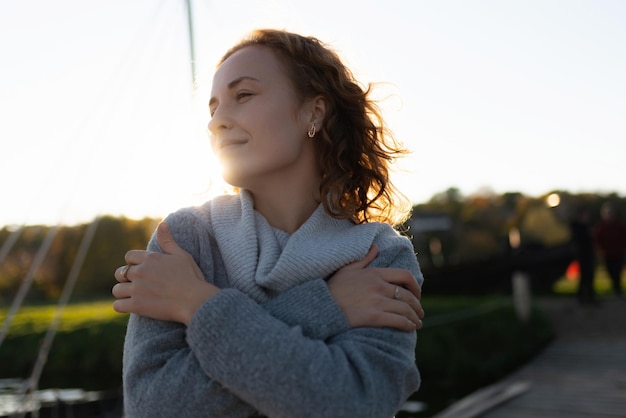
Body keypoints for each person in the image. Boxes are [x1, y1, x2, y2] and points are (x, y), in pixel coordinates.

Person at [112, 29, 425, 418]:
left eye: (243, 96)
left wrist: (196, 303)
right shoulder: (184, 240)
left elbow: (354, 404)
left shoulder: (380, 255)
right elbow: (154, 407)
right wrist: (323, 308)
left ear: (314, 111)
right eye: (212, 109)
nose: (217, 123)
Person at [594, 203, 626, 297]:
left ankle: (618, 289)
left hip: (619, 253)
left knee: (618, 271)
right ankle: (616, 288)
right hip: (607, 254)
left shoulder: (620, 226)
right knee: (611, 271)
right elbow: (597, 240)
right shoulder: (601, 227)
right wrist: (600, 250)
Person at [568, 206, 596, 305]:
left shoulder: (585, 227)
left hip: (588, 254)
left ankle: (588, 296)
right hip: (583, 255)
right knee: (585, 276)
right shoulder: (578, 228)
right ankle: (584, 296)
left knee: (589, 276)